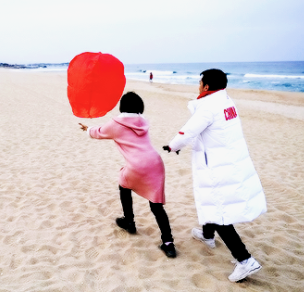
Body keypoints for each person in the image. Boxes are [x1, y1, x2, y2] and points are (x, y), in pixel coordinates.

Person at [163, 69, 267, 282]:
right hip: (230, 161)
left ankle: (245, 260)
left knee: (220, 212)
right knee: (211, 202)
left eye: (200, 83)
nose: (198, 86)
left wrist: (172, 146)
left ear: (207, 86)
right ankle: (208, 236)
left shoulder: (208, 107)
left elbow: (187, 132)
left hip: (219, 166)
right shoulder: (227, 101)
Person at [79, 91, 176, 258]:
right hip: (155, 163)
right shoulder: (143, 121)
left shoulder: (116, 123)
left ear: (122, 106)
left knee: (124, 185)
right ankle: (168, 243)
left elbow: (99, 132)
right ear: (139, 107)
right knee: (156, 205)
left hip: (137, 165)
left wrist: (87, 129)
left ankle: (129, 221)